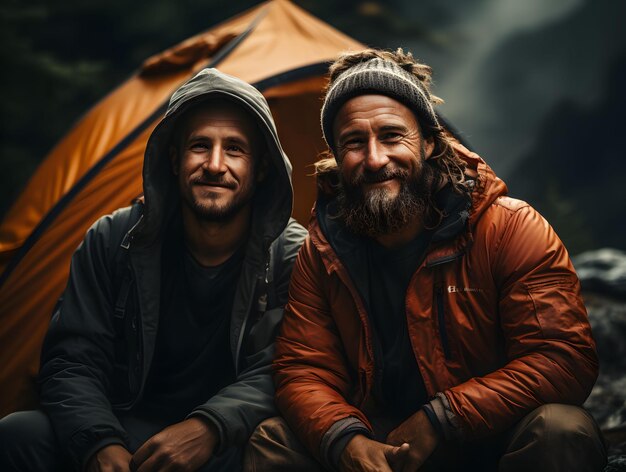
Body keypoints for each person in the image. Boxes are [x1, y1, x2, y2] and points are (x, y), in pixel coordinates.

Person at [245, 49, 607, 471]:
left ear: (429, 141)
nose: (376, 159)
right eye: (354, 143)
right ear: (337, 157)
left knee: (562, 430)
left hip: (489, 436)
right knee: (273, 441)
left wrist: (443, 417)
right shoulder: (323, 251)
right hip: (384, 444)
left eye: (392, 136)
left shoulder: (508, 228)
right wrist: (347, 441)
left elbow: (564, 356)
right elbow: (303, 369)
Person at [0, 68, 307, 471]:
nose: (215, 165)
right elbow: (72, 359)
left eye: (235, 149)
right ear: (175, 159)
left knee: (283, 450)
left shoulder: (292, 255)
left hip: (227, 442)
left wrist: (208, 427)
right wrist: (99, 445)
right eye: (200, 146)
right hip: (123, 428)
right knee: (18, 433)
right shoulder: (114, 238)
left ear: (261, 168)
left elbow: (289, 367)